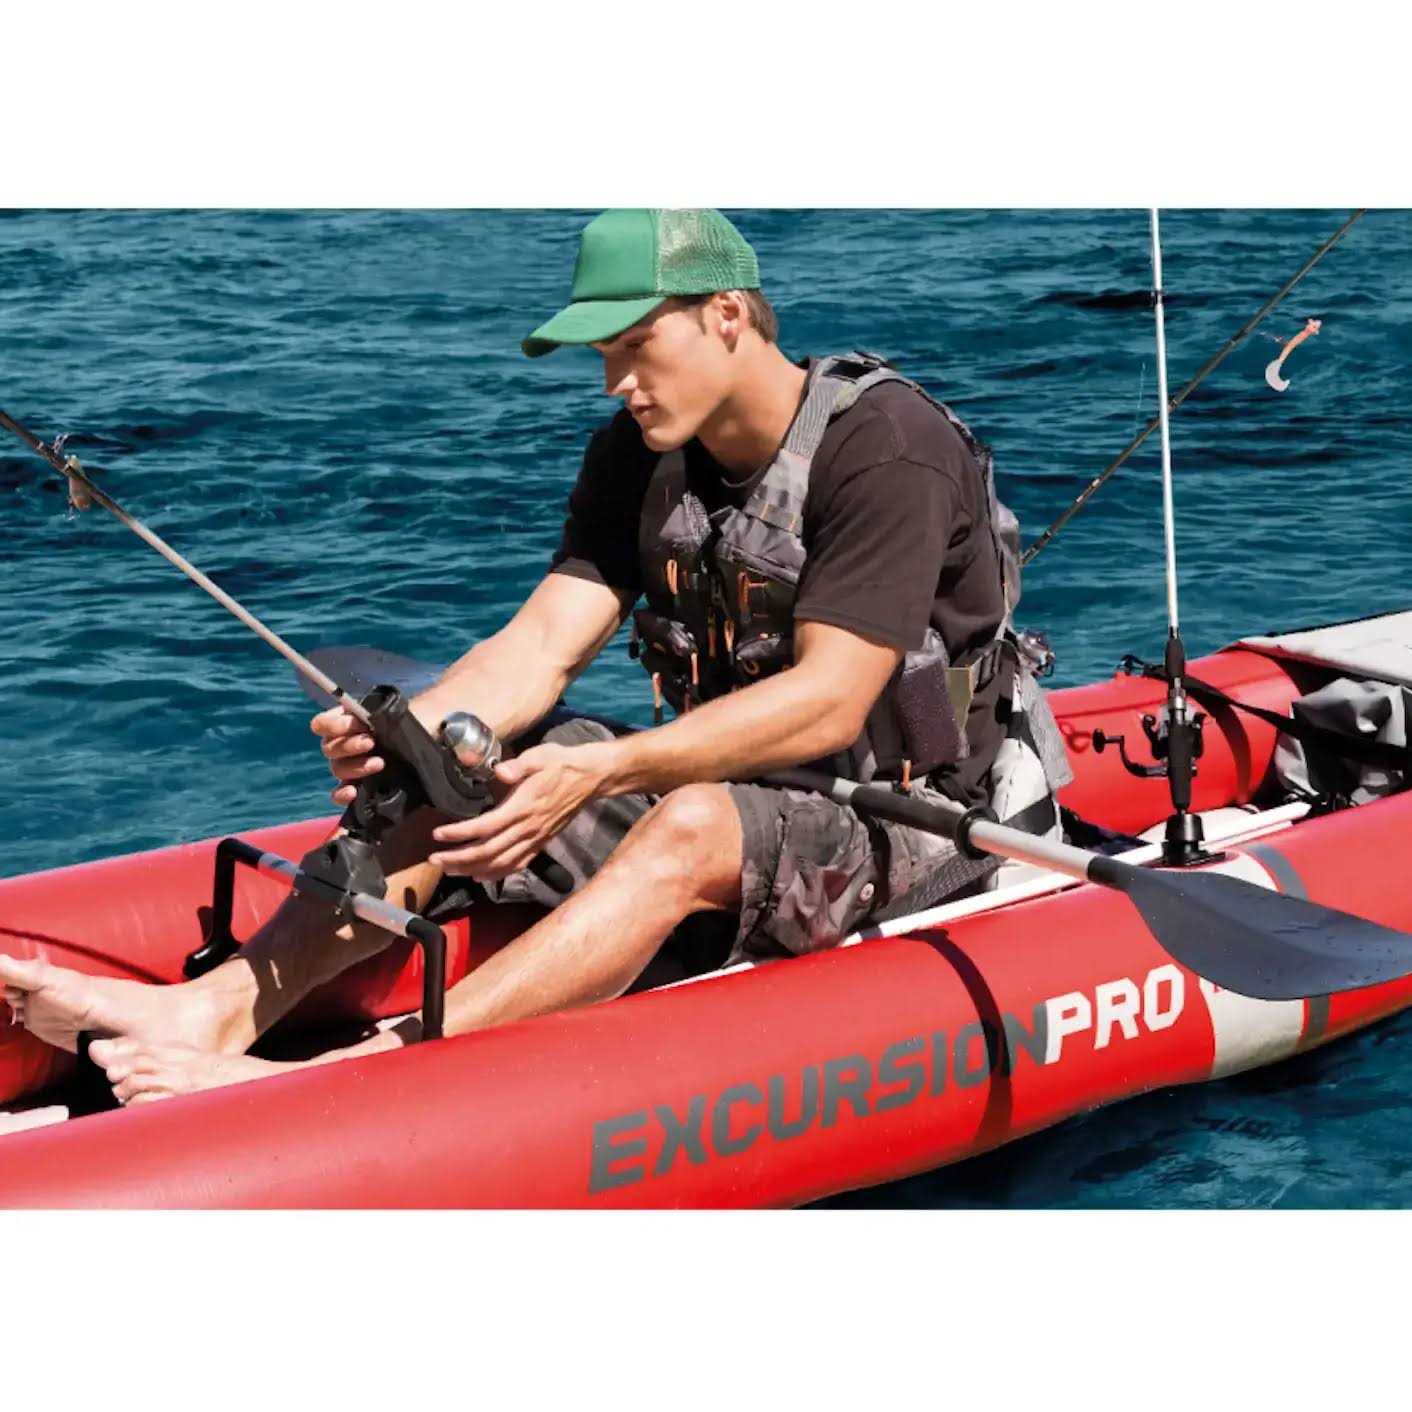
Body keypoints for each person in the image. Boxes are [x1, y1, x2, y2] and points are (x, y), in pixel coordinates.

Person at [0, 208, 1068, 1103]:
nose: (615, 382)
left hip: (919, 821)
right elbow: (542, 643)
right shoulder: (639, 454)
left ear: (727, 315)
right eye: (603, 356)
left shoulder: (883, 449)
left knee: (689, 818)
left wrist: (605, 768)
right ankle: (213, 1008)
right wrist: (411, 735)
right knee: (460, 767)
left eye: (633, 345)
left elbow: (830, 702)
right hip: (754, 793)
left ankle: (370, 1070)